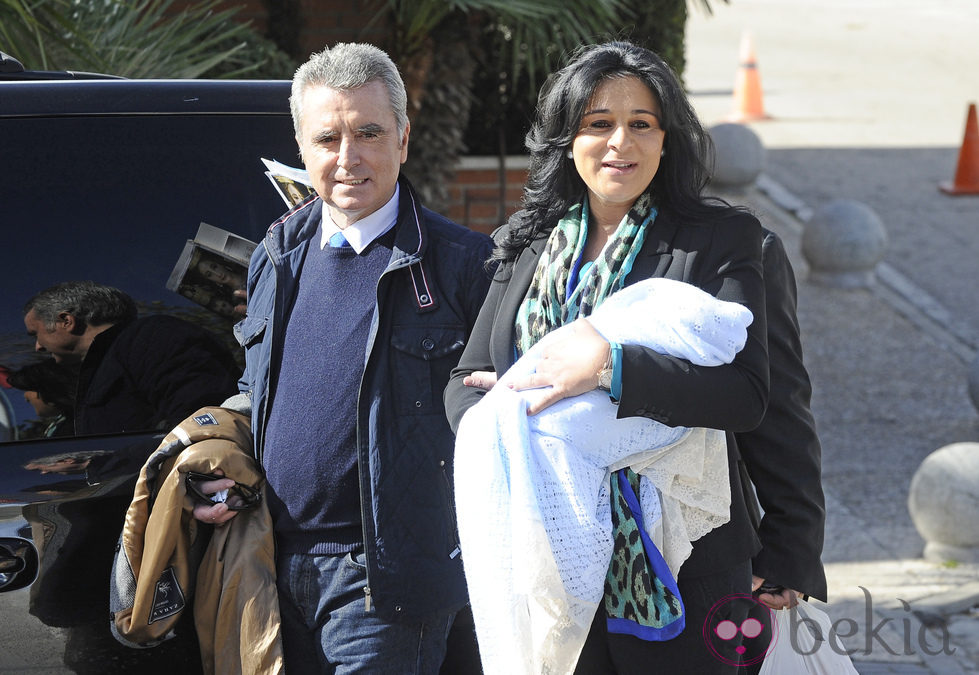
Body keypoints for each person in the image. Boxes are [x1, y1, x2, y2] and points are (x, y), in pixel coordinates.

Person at [444, 41, 773, 673]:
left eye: (640, 125)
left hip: (688, 561)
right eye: (599, 124)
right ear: (568, 140)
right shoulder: (528, 244)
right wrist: (516, 425)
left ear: (666, 140)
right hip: (548, 552)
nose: (619, 142)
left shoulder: (718, 241)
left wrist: (607, 369)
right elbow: (466, 380)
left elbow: (750, 394)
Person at [192, 42, 494, 674]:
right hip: (268, 563)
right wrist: (217, 463)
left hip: (383, 584)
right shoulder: (278, 254)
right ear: (302, 148)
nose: (348, 158)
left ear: (404, 140)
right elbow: (259, 388)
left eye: (369, 133)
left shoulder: (465, 265)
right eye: (328, 138)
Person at [23, 281, 240, 435]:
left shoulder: (154, 338)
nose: (38, 346)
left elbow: (204, 424)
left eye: (36, 334)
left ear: (66, 321)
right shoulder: (101, 368)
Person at [5, 358, 77, 437]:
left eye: (26, 390)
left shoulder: (71, 430)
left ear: (48, 392)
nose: (26, 398)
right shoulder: (71, 422)